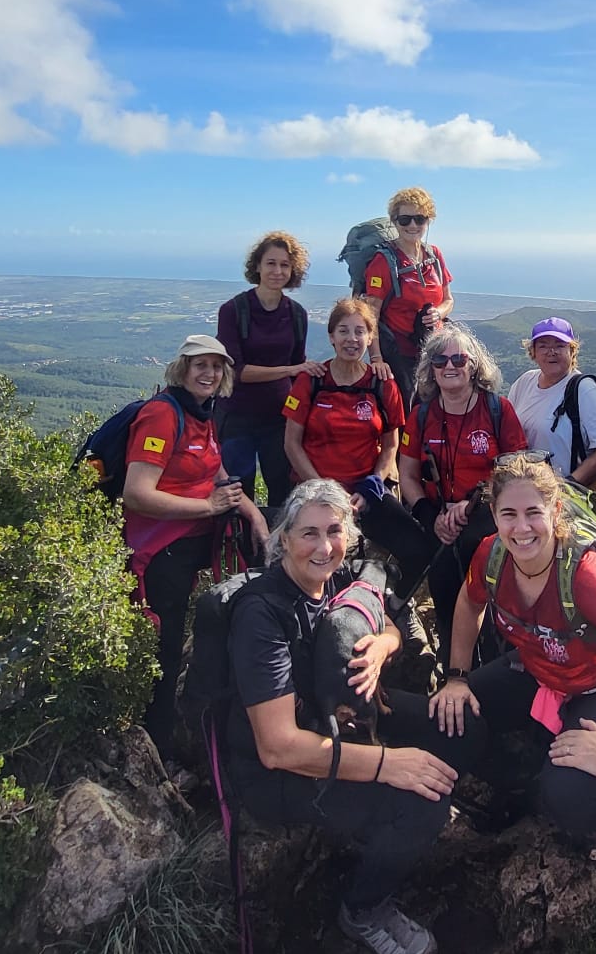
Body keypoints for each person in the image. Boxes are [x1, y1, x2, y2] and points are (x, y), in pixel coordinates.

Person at [228, 481, 481, 954]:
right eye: (309, 534)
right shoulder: (262, 615)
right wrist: (389, 764)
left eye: (334, 531)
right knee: (424, 803)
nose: (323, 547)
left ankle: (382, 833)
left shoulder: (334, 576)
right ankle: (363, 908)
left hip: (348, 718)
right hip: (281, 770)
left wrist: (383, 648)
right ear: (284, 539)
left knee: (460, 727)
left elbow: (387, 623)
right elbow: (278, 747)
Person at [430, 454, 596, 858]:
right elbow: (469, 602)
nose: (522, 528)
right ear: (494, 515)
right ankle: (523, 779)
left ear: (556, 510)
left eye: (534, 512)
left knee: (572, 795)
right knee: (449, 718)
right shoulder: (492, 554)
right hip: (539, 671)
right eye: (509, 514)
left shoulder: (584, 575)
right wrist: (457, 677)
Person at [123, 334, 270, 760]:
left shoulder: (202, 414)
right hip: (162, 549)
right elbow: (137, 493)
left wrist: (255, 516)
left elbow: (219, 474)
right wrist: (207, 507)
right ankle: (159, 744)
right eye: (200, 365)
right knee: (167, 647)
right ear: (182, 369)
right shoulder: (162, 415)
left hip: (195, 541)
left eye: (217, 366)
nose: (209, 373)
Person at [399, 325, 528, 651]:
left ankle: (494, 669)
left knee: (496, 614)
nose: (450, 366)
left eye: (459, 359)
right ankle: (453, 670)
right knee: (447, 609)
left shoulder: (498, 410)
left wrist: (473, 503)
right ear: (431, 369)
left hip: (488, 527)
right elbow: (407, 474)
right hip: (440, 529)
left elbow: (518, 471)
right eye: (440, 361)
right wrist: (431, 518)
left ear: (474, 366)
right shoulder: (422, 415)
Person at [285, 298, 429, 580]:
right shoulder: (312, 381)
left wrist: (371, 485)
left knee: (418, 549)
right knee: (307, 559)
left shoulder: (382, 384)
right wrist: (323, 489)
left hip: (365, 492)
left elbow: (391, 445)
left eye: (359, 331)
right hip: (315, 491)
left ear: (370, 338)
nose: (351, 339)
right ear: (331, 337)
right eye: (343, 331)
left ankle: (391, 601)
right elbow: (291, 443)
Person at [216, 230, 318, 516]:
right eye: (271, 263)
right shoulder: (234, 310)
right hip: (237, 416)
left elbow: (298, 369)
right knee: (237, 494)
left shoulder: (297, 314)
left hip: (279, 418)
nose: (277, 271)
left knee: (282, 492)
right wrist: (289, 370)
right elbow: (236, 371)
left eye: (285, 265)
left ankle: (279, 543)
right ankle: (240, 544)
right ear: (257, 266)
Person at [505, 316, 596, 486]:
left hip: (567, 494)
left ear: (572, 350)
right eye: (543, 346)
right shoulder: (524, 382)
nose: (551, 352)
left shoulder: (585, 389)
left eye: (560, 345)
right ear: (533, 352)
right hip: (525, 490)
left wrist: (568, 487)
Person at [361, 186, 453, 398]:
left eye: (419, 219)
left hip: (435, 351)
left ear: (428, 221)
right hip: (400, 356)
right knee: (408, 409)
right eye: (405, 220)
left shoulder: (434, 255)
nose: (413, 225)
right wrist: (376, 359)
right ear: (394, 222)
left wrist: (438, 313)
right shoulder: (384, 261)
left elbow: (448, 300)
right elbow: (371, 315)